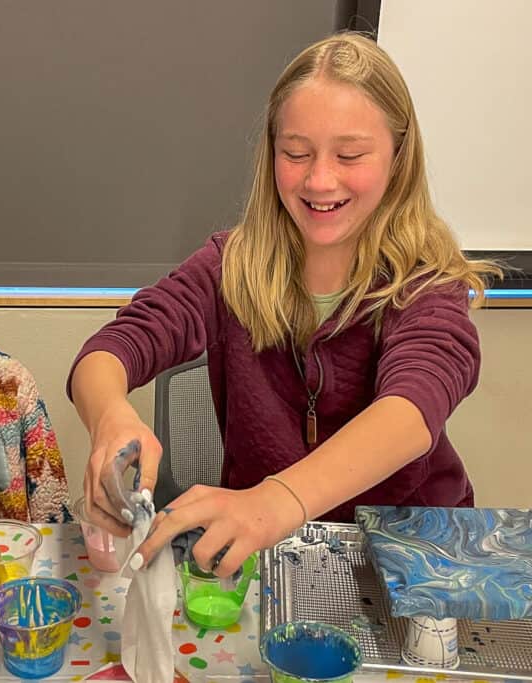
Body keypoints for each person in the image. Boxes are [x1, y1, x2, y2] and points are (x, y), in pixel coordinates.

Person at [68, 33, 501, 577]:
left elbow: (412, 412)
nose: (320, 179)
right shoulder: (231, 266)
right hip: (268, 559)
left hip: (409, 557)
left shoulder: (426, 284)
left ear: (399, 154)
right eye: (296, 154)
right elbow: (114, 347)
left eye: (350, 155)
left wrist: (280, 500)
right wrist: (109, 415)